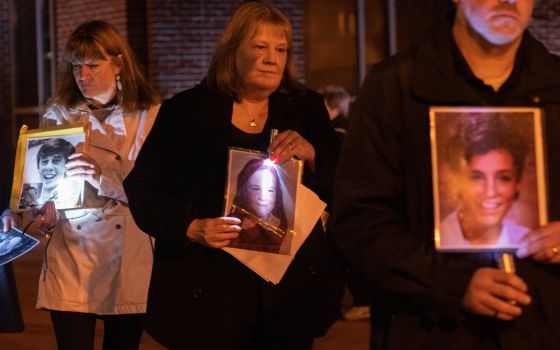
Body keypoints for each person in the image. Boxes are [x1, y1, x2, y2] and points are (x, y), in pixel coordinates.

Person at [331, 0, 560, 348]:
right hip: (427, 331)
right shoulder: (395, 87)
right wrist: (451, 284)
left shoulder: (555, 86)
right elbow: (359, 219)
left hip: (542, 328)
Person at [123, 2, 344, 349]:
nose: (273, 58)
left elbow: (345, 181)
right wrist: (190, 227)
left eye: (281, 49)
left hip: (288, 294)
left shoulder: (306, 108)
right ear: (232, 51)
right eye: (260, 47)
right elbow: (143, 189)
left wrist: (314, 155)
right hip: (208, 288)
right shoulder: (184, 111)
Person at [35, 20, 160, 350]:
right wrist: (40, 211)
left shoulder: (150, 116)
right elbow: (44, 187)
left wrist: (99, 177)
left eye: (93, 65)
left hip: (128, 256)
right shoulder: (58, 115)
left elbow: (153, 192)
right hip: (72, 257)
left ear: (118, 62)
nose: (83, 75)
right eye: (76, 66)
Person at [440, 114, 531, 247]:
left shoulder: (529, 242)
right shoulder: (439, 239)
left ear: (518, 184)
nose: (490, 192)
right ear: (457, 182)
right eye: (476, 177)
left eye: (503, 178)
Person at [228, 158, 289, 254]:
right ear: (244, 191)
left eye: (270, 190)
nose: (263, 197)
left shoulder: (283, 228)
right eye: (256, 189)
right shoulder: (231, 224)